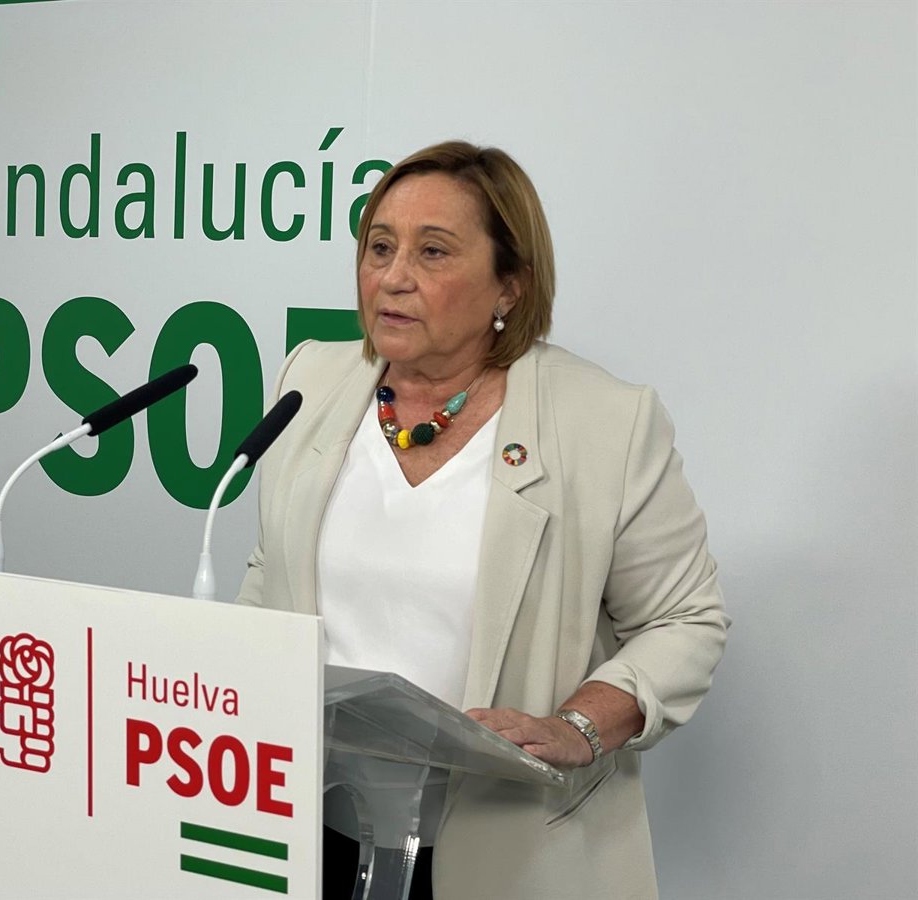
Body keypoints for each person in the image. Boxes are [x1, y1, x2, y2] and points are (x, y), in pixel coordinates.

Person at [235, 140, 729, 899]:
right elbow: (275, 567)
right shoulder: (312, 377)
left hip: (507, 849)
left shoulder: (605, 422)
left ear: (510, 285)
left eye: (433, 252)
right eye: (379, 247)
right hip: (303, 828)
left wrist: (579, 727)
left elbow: (684, 621)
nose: (393, 277)